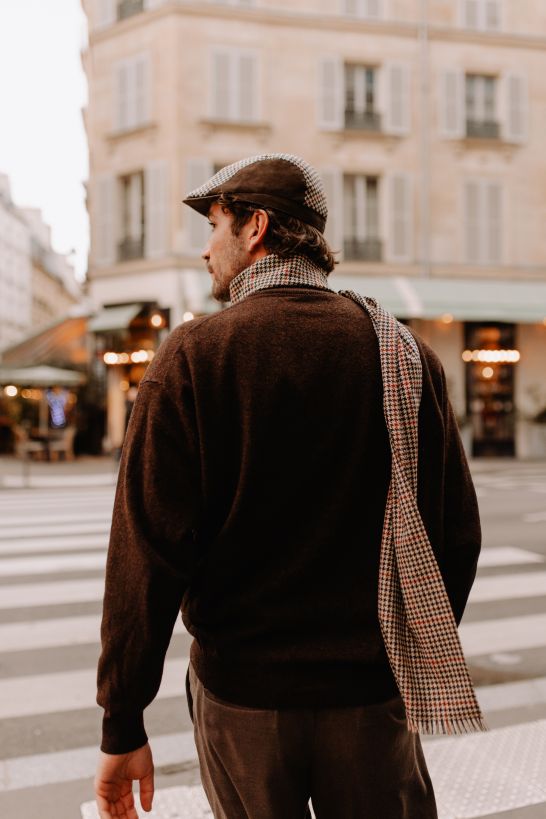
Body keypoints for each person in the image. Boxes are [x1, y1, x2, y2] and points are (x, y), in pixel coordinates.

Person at [95, 153, 484, 819]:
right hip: (370, 699)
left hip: (244, 699)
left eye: (215, 226)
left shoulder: (194, 356)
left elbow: (146, 554)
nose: (204, 250)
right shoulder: (403, 351)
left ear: (256, 229)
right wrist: (389, 651)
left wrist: (123, 720)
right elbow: (456, 535)